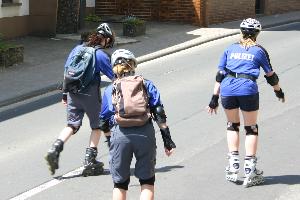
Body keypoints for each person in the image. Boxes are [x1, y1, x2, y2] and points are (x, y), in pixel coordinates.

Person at [206, 18, 285, 187]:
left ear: (241, 32)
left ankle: (233, 167)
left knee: (232, 125)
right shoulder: (259, 51)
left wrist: (214, 98)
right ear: (257, 33)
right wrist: (279, 91)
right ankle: (250, 170)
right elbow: (271, 75)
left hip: (227, 89)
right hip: (247, 89)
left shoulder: (230, 48)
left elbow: (220, 74)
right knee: (251, 128)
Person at [99, 49, 176, 200]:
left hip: (120, 134)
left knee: (119, 184)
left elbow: (103, 122)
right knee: (147, 182)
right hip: (144, 133)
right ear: (133, 65)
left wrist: (110, 140)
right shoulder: (146, 84)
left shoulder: (110, 89)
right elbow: (158, 112)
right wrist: (167, 140)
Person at [45, 23, 115, 176]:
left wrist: (64, 94)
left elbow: (66, 71)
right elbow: (114, 78)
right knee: (97, 126)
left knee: (72, 125)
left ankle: (55, 148)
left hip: (72, 92)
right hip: (90, 93)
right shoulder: (100, 54)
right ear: (104, 40)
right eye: (108, 42)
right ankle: (90, 161)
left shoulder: (77, 49)